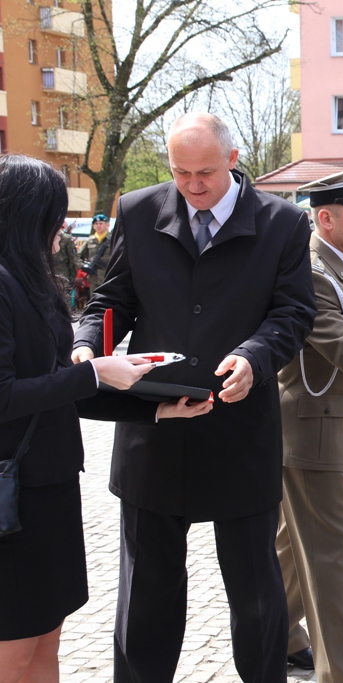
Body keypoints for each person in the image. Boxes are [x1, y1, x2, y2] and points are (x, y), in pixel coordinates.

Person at [71, 112, 317, 682]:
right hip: (154, 429)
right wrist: (88, 346)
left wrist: (255, 357)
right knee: (146, 595)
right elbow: (112, 300)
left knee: (256, 596)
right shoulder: (138, 209)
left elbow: (293, 312)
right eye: (180, 172)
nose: (192, 185)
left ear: (232, 159)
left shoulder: (282, 222)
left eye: (204, 172)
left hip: (240, 428)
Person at [0, 155, 210, 683]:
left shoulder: (34, 282)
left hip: (49, 487)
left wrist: (153, 406)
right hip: (12, 495)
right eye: (55, 213)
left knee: (46, 641)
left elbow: (62, 390)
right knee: (14, 650)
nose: (62, 225)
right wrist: (96, 371)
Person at [274, 166, 343, 683]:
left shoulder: (342, 265)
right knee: (327, 552)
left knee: (295, 547)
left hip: (320, 424)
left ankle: (278, 635)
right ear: (325, 218)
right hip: (310, 428)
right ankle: (341, 669)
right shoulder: (314, 271)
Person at [78, 213, 114, 290]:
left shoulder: (113, 239)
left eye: (101, 223)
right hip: (93, 279)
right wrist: (83, 266)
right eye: (96, 224)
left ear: (107, 225)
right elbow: (78, 256)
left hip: (109, 278)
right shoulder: (90, 240)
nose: (98, 226)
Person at [53, 220, 80, 310]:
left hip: (63, 277)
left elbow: (73, 259)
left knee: (64, 305)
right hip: (47, 276)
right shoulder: (42, 238)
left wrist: (73, 278)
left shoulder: (67, 239)